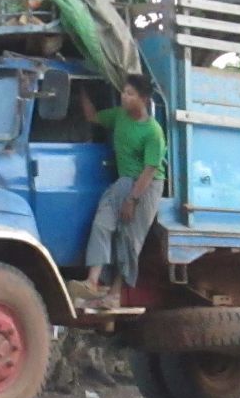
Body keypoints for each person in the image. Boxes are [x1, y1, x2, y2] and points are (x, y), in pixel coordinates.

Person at [68, 74, 166, 309]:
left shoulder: (153, 132)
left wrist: (132, 200)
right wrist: (81, 88)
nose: (124, 96)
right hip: (123, 182)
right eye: (123, 91)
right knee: (102, 224)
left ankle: (114, 294)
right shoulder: (119, 116)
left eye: (130, 93)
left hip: (146, 187)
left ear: (143, 99)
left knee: (128, 241)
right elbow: (92, 117)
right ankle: (92, 282)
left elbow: (149, 170)